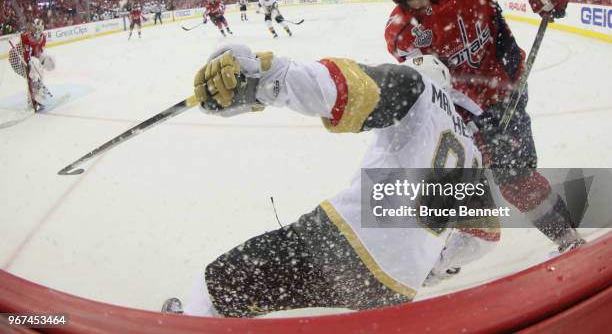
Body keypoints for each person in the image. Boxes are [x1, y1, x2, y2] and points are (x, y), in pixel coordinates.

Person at [163, 43, 500, 317]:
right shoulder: (472, 151)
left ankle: (193, 322)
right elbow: (483, 238)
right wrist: (432, 268)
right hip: (397, 286)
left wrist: (264, 81)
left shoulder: (417, 87)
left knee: (220, 283)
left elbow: (348, 87)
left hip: (345, 245)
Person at [378, 0, 583, 252]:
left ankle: (567, 238)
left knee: (516, 180)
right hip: (463, 109)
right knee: (445, 179)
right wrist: (472, 123)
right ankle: (446, 248)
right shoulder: (401, 33)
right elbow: (434, 87)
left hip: (507, 88)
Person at [9, 19, 56, 110]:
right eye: (35, 28)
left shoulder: (43, 38)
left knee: (36, 77)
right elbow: (14, 53)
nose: (37, 30)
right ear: (32, 28)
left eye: (39, 28)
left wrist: (44, 60)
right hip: (18, 62)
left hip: (29, 63)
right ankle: (32, 101)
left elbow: (38, 53)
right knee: (33, 77)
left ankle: (36, 99)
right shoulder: (25, 36)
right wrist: (19, 60)